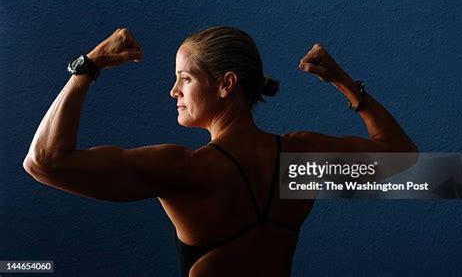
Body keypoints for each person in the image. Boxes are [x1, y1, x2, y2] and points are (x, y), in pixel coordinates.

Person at [23, 26, 417, 277]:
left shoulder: (186, 171)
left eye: (185, 78)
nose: (174, 91)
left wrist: (89, 66)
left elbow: (44, 162)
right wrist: (341, 81)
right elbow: (403, 158)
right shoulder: (301, 157)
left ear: (227, 84)